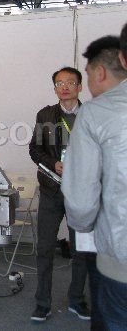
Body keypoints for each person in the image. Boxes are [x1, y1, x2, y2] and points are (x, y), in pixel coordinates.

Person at [63, 32, 127, 331]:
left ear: (99, 72)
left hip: (119, 255)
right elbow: (35, 148)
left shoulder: (95, 112)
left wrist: (82, 226)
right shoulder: (44, 115)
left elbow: (81, 199)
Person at [28, 66, 90, 322]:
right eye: (59, 83)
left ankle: (77, 300)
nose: (64, 87)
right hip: (52, 190)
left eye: (70, 82)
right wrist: (53, 163)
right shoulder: (45, 115)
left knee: (82, 250)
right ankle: (42, 303)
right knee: (44, 249)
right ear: (55, 89)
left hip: (82, 193)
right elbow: (34, 150)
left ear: (79, 87)